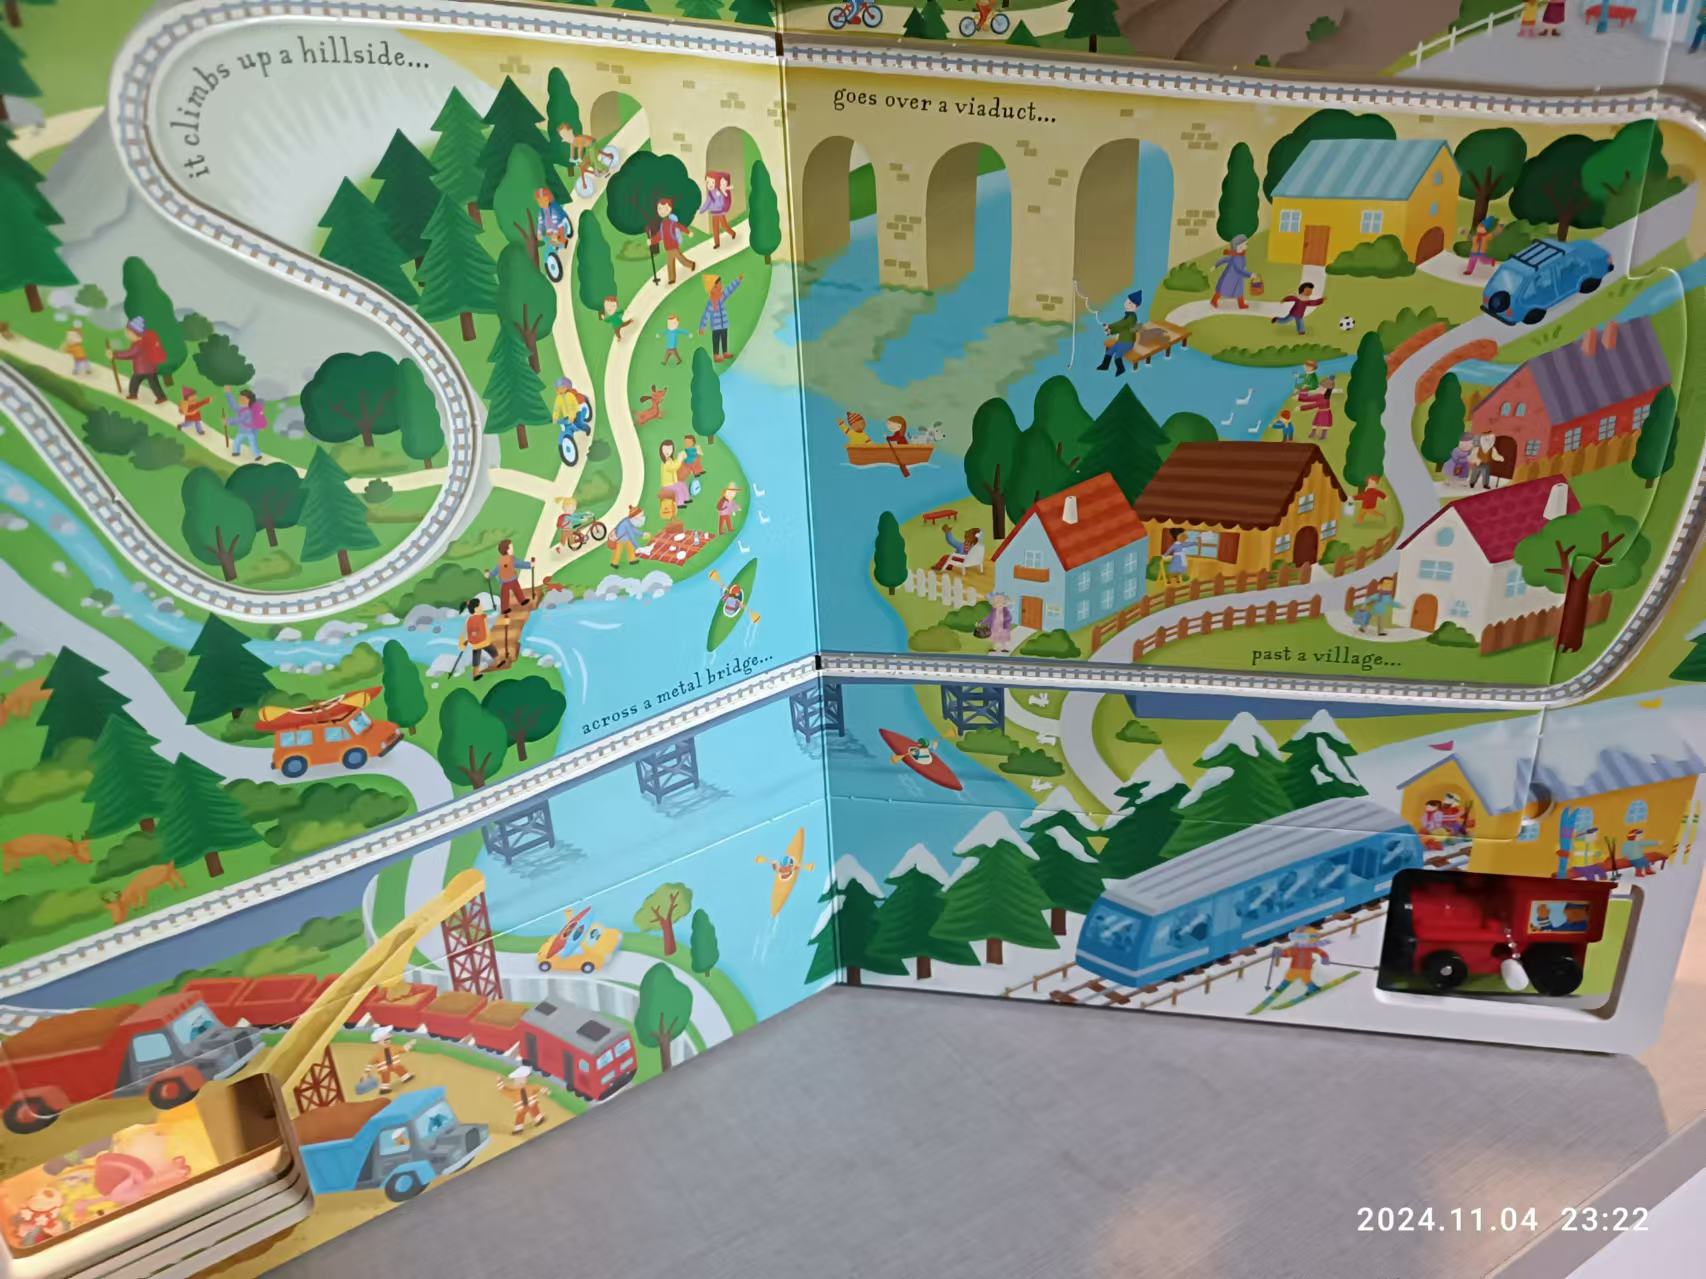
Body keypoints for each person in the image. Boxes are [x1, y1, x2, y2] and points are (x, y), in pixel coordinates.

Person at [1261, 925, 1332, 1005]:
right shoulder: (1297, 948)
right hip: (1294, 967)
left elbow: (1321, 952)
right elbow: (1287, 953)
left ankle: (1312, 988)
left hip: (1305, 967)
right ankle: (1282, 987)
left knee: (1305, 979)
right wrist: (1279, 953)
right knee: (1289, 976)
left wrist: (1325, 958)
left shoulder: (1307, 948)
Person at [111, 316, 168, 403]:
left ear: (136, 334)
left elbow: (129, 354)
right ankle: (161, 397)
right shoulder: (143, 342)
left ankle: (133, 394)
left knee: (135, 382)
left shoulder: (138, 345)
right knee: (153, 383)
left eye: (129, 333)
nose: (127, 335)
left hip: (141, 370)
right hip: (150, 368)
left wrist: (115, 354)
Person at [649, 196, 697, 285]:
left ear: (669, 209)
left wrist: (688, 232)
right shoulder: (662, 224)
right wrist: (652, 241)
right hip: (667, 247)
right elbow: (660, 236)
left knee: (680, 259)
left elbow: (680, 227)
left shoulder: (671, 222)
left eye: (665, 209)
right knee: (670, 263)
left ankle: (691, 264)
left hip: (673, 246)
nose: (662, 211)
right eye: (660, 209)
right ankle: (672, 278)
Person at [698, 272, 743, 363]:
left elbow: (729, 289)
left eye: (721, 284)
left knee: (724, 338)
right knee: (716, 340)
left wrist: (737, 280)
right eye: (719, 285)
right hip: (716, 327)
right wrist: (702, 327)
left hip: (724, 324)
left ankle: (725, 352)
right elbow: (706, 315)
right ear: (713, 288)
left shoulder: (721, 297)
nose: (721, 287)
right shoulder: (711, 303)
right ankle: (716, 355)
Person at [1097, 290, 1144, 375]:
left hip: (1127, 343)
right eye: (1127, 302)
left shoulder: (1131, 318)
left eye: (1130, 303)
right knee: (1109, 352)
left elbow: (1121, 325)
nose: (1127, 304)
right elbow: (1120, 325)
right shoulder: (1127, 316)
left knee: (1117, 356)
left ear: (1136, 307)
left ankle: (1121, 369)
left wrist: (1109, 329)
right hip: (1121, 341)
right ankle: (1105, 366)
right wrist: (1109, 328)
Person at [363, 1026, 415, 1094]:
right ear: (378, 1042)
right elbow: (371, 1063)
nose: (388, 1040)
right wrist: (367, 1071)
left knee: (400, 1069)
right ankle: (384, 1088)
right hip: (385, 1068)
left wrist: (409, 1044)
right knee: (386, 1077)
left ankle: (405, 1077)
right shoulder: (379, 1054)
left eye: (388, 1038)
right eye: (386, 1039)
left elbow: (403, 1049)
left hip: (394, 1065)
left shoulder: (393, 1048)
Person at [498, 1065, 548, 1135]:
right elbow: (503, 1090)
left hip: (526, 1105)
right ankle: (519, 1128)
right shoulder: (517, 1091)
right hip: (525, 1106)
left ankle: (538, 1119)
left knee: (532, 1112)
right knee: (523, 1115)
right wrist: (499, 1082)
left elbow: (503, 1090)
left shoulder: (523, 1089)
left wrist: (544, 1090)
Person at [459, 596, 500, 679]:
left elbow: (466, 632)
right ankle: (498, 662)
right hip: (484, 641)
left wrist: (464, 642)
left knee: (476, 659)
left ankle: (475, 674)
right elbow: (490, 619)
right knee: (493, 651)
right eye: (480, 606)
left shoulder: (470, 619)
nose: (482, 607)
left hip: (475, 643)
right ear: (476, 608)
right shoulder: (482, 617)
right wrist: (496, 611)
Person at [1211, 235, 1252, 309]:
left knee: (1239, 290)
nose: (1247, 245)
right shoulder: (1235, 257)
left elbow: (1224, 259)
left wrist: (1216, 265)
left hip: (1238, 277)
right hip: (1229, 277)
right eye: (1245, 244)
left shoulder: (1240, 255)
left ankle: (1241, 304)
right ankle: (1214, 300)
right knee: (1222, 289)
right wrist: (1250, 275)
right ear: (1239, 246)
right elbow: (1238, 269)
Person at [224, 388, 267, 460]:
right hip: (242, 431)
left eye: (243, 399)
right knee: (237, 441)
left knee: (252, 443)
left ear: (249, 400)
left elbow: (240, 420)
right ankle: (236, 452)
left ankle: (257, 455)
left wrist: (228, 421)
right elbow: (233, 405)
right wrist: (228, 393)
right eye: (240, 398)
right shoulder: (241, 408)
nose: (240, 400)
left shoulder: (248, 411)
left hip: (250, 431)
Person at [492, 538, 531, 615]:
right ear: (506, 550)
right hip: (507, 581)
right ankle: (507, 607)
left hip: (508, 580)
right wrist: (530, 565)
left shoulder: (503, 560)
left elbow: (495, 571)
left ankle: (520, 601)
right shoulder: (510, 559)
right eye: (511, 547)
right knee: (507, 594)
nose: (513, 549)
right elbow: (520, 564)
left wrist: (490, 575)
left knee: (515, 591)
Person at [699, 169, 736, 247]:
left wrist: (718, 205)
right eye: (708, 182)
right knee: (715, 227)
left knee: (724, 225)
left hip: (720, 212)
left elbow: (721, 202)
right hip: (714, 213)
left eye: (712, 182)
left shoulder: (718, 192)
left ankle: (732, 233)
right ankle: (717, 243)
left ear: (716, 182)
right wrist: (701, 210)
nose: (710, 184)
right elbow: (707, 203)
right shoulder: (710, 194)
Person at [658, 438, 690, 514]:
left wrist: (680, 458)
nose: (667, 451)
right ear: (661, 450)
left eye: (670, 449)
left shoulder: (669, 459)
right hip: (667, 484)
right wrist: (679, 459)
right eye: (665, 449)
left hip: (673, 482)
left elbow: (674, 463)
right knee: (678, 489)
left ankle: (686, 499)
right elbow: (673, 467)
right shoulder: (665, 463)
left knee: (682, 485)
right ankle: (679, 503)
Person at [534, 187, 570, 252]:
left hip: (561, 223)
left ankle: (563, 241)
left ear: (549, 199)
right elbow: (541, 222)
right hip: (551, 229)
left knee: (557, 237)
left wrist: (554, 232)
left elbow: (556, 221)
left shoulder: (554, 208)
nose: (542, 203)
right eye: (540, 202)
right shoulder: (541, 211)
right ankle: (559, 244)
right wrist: (539, 232)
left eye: (544, 200)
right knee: (551, 240)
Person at [1302, 376, 1335, 440]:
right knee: (1315, 423)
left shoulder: (1326, 397)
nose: (1319, 388)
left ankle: (1323, 435)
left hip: (1325, 412)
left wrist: (1331, 381)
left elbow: (1314, 404)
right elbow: (1312, 396)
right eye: (1320, 387)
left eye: (1321, 387)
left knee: (1324, 424)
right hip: (1320, 411)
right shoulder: (1320, 395)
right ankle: (1313, 432)